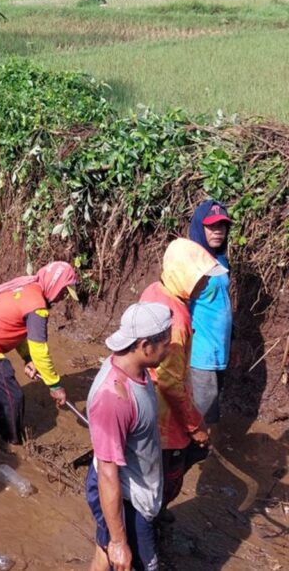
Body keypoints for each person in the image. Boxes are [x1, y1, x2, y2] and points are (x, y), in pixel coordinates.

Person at [139, 238, 226, 510]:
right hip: (165, 416)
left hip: (145, 402)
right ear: (182, 276)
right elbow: (169, 382)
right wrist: (194, 426)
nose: (204, 285)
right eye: (199, 279)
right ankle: (153, 519)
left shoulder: (154, 291)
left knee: (150, 471)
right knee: (170, 478)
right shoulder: (176, 319)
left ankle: (150, 513)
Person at [86, 302, 173, 571]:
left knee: (104, 553)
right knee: (129, 559)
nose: (170, 349)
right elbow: (108, 473)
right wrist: (119, 541)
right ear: (146, 345)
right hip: (126, 499)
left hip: (133, 490)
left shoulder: (139, 371)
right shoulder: (114, 398)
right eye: (166, 344)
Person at [0, 262, 78, 445]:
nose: (62, 298)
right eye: (63, 291)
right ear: (54, 284)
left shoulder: (28, 286)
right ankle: (12, 443)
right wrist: (55, 386)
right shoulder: (37, 305)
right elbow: (40, 349)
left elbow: (17, 328)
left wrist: (28, 359)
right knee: (13, 397)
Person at [187, 201, 233, 433]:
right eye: (212, 226)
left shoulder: (221, 260)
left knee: (210, 412)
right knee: (199, 419)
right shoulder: (192, 263)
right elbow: (181, 306)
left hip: (219, 350)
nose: (218, 231)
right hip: (200, 353)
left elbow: (222, 302)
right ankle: (187, 462)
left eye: (223, 226)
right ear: (199, 228)